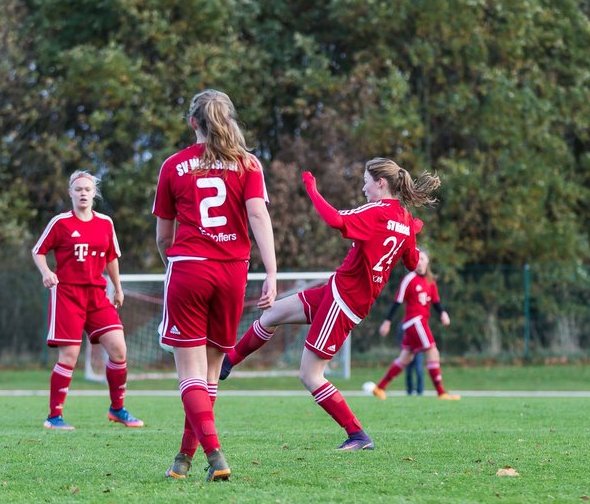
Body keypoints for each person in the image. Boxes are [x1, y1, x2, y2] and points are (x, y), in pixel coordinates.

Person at [222, 158, 439, 451]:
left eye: (365, 181)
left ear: (381, 183)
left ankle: (358, 435)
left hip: (344, 300)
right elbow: (413, 263)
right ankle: (227, 362)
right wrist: (412, 231)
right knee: (272, 314)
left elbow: (336, 220)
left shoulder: (377, 211)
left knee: (310, 375)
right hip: (338, 291)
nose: (363, 188)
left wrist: (312, 189)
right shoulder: (402, 217)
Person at [153, 89, 277, 481]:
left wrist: (172, 264)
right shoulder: (248, 163)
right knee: (209, 375)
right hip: (233, 273)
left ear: (193, 123)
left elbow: (162, 237)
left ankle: (215, 455)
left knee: (189, 375)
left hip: (189, 268)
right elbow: (257, 215)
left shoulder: (173, 165)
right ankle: (183, 459)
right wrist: (271, 273)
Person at [33, 170, 144, 431]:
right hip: (68, 295)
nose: (83, 193)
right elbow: (38, 251)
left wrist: (117, 287)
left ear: (94, 193)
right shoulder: (60, 223)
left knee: (119, 349)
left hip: (97, 294)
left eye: (87, 189)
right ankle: (54, 417)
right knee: (69, 356)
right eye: (78, 189)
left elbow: (111, 257)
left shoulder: (105, 223)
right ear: (70, 193)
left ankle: (117, 409)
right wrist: (47, 272)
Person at [372, 251, 460, 400]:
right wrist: (387, 322)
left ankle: (379, 388)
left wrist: (443, 313)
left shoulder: (431, 281)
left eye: (422, 259)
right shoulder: (409, 279)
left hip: (420, 322)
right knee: (433, 352)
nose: (419, 262)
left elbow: (436, 302)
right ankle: (441, 392)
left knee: (405, 358)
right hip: (414, 321)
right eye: (416, 260)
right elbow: (397, 302)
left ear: (427, 262)